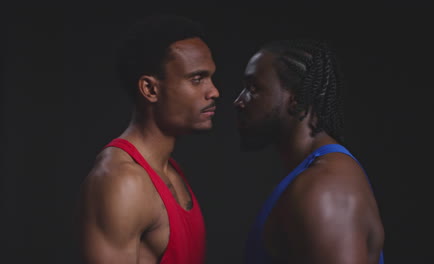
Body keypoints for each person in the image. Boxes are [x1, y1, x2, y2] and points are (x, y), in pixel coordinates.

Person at [77, 14, 219, 264]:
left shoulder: (172, 171)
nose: (214, 91)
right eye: (197, 79)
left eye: (210, 78)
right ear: (150, 89)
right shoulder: (122, 182)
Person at [234, 39, 384, 264]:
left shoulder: (326, 187)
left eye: (254, 88)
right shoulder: (312, 177)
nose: (239, 101)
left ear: (294, 98)